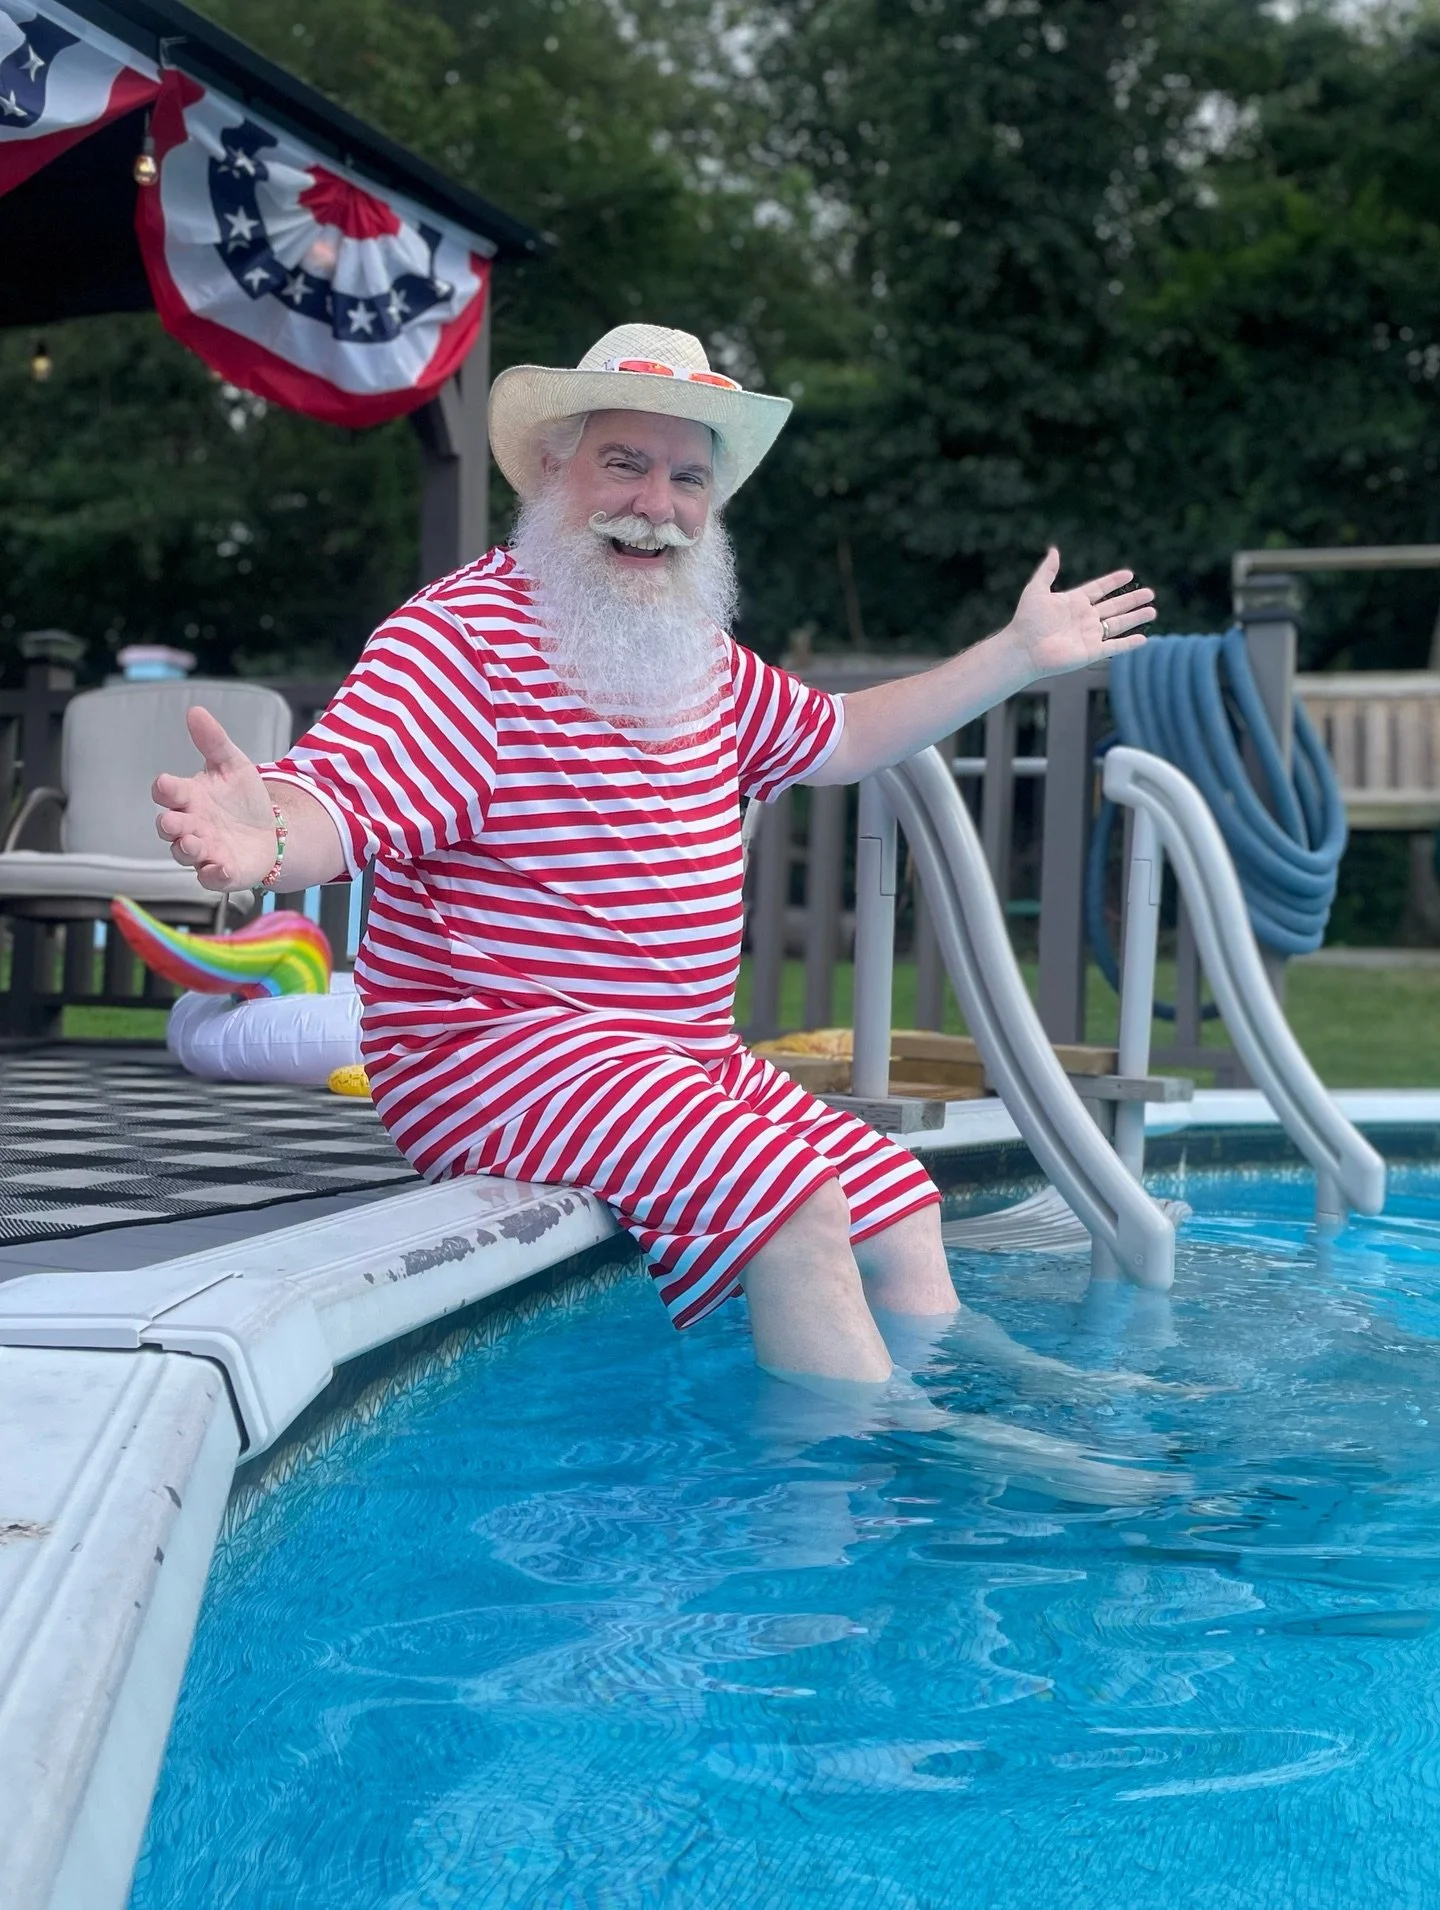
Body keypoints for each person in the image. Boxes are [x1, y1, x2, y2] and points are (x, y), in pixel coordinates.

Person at [152, 322, 1154, 1405]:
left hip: (679, 1055)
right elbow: (344, 792)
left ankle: (972, 1400)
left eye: (687, 478)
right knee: (792, 1201)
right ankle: (870, 1469)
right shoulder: (461, 643)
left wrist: (1014, 656)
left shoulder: (699, 657)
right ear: (552, 468)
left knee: (895, 1197)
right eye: (624, 463)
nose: (656, 504)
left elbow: (846, 736)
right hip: (494, 1051)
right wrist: (270, 834)